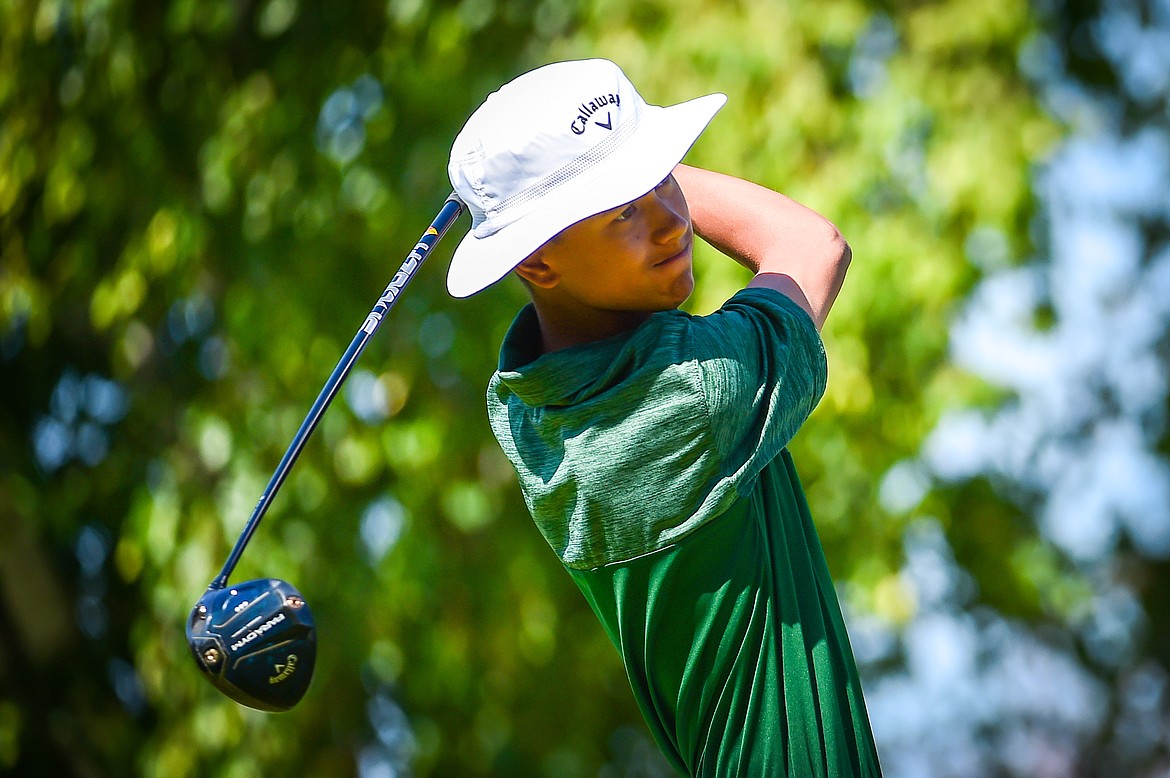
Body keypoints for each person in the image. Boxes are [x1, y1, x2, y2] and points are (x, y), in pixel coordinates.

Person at [445, 58, 882, 777]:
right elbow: (812, 244)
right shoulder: (694, 394)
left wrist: (563, 188)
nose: (672, 221)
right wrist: (632, 155)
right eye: (624, 211)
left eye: (664, 182)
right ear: (538, 263)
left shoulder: (526, 417)